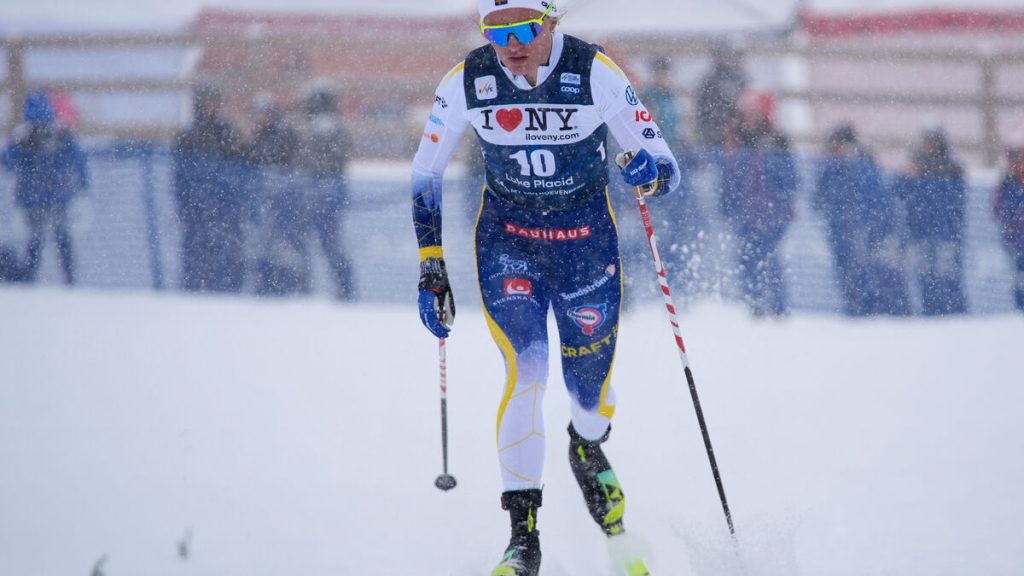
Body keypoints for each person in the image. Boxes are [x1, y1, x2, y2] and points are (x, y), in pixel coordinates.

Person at [410, 2, 682, 574]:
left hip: (586, 248)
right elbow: (425, 171)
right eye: (497, 31)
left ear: (552, 22)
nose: (511, 43)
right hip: (510, 243)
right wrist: (431, 262)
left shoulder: (594, 72)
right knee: (527, 370)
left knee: (589, 396)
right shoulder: (469, 80)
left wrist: (648, 173)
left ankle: (586, 443)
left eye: (524, 29)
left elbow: (666, 166)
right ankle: (522, 538)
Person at [814, 124, 910, 316]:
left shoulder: (862, 166)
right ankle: (858, 313)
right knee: (850, 278)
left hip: (864, 233)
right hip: (843, 233)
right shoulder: (832, 168)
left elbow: (876, 202)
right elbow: (818, 199)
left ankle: (875, 313)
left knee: (874, 276)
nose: (833, 151)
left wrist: (867, 226)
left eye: (836, 146)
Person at [719, 90, 797, 316]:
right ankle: (754, 305)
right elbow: (730, 180)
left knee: (769, 258)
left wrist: (776, 196)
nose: (747, 117)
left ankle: (777, 306)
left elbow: (790, 180)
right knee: (747, 258)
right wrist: (728, 205)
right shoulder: (737, 141)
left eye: (752, 112)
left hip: (772, 214)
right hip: (747, 213)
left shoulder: (777, 143)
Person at [1, 90, 88, 285]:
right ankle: (69, 281)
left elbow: (7, 163)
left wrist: (16, 141)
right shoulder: (60, 136)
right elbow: (78, 161)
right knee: (61, 240)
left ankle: (32, 280)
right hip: (57, 197)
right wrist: (83, 187)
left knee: (37, 241)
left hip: (34, 200)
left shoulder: (25, 139)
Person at [172, 83, 248, 293]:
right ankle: (195, 287)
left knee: (230, 248)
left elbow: (240, 163)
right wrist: (184, 202)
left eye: (213, 103)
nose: (210, 107)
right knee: (196, 249)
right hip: (196, 205)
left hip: (226, 204)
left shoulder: (226, 131)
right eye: (206, 103)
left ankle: (230, 287)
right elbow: (179, 174)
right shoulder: (188, 135)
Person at [892, 126, 968, 315]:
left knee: (948, 276)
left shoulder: (951, 168)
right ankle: (931, 312)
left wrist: (925, 178)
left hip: (946, 234)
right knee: (925, 276)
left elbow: (952, 201)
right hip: (920, 232)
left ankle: (953, 314)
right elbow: (898, 191)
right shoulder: (916, 166)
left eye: (932, 141)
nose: (928, 146)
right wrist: (907, 176)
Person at [295, 82, 354, 300]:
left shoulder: (326, 128)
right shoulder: (329, 128)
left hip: (322, 198)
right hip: (322, 198)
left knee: (325, 246)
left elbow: (310, 159)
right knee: (328, 246)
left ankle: (340, 291)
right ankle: (342, 290)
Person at [246, 95, 305, 296]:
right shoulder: (259, 137)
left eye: (264, 114)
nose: (261, 119)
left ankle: (287, 286)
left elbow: (292, 164)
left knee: (284, 247)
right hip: (266, 202)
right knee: (264, 245)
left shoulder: (284, 135)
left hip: (283, 204)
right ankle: (267, 285)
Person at [695, 40, 747, 151]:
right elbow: (704, 110)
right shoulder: (710, 81)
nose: (730, 59)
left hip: (739, 134)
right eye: (726, 55)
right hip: (715, 134)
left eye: (733, 55)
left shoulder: (741, 79)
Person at [993, 134, 1024, 312]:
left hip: (1015, 239)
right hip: (1014, 241)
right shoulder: (1006, 181)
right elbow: (997, 208)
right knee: (1017, 278)